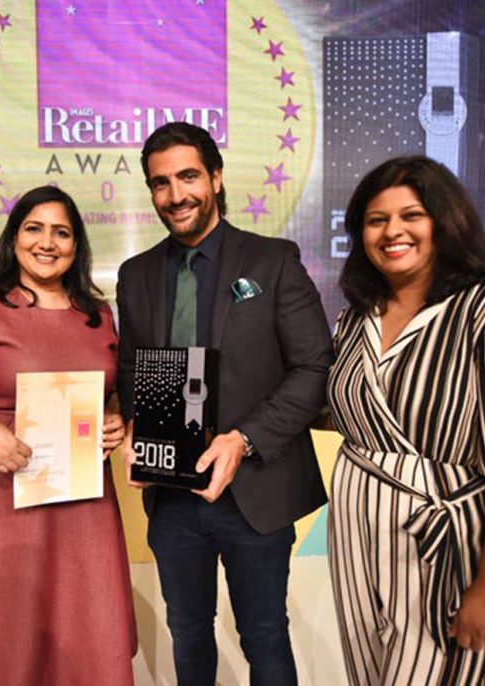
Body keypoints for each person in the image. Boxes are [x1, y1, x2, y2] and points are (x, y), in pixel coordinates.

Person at [326, 156, 485, 685]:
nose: (393, 231)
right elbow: (345, 411)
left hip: (441, 547)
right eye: (375, 220)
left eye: (411, 215)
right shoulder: (354, 319)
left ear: (446, 221)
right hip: (355, 540)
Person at [116, 121, 333, 685]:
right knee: (188, 631)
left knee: (264, 634)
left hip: (255, 491)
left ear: (214, 177)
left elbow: (314, 367)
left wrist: (243, 440)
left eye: (188, 176)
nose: (175, 195)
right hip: (173, 498)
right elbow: (133, 370)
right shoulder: (135, 275)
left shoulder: (273, 261)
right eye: (160, 183)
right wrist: (138, 427)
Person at [0, 185, 137, 686]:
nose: (47, 242)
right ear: (14, 238)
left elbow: (110, 392)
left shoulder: (97, 314)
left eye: (62, 232)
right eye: (34, 228)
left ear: (77, 246)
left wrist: (117, 422)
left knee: (86, 635)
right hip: (0, 498)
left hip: (83, 506)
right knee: (6, 642)